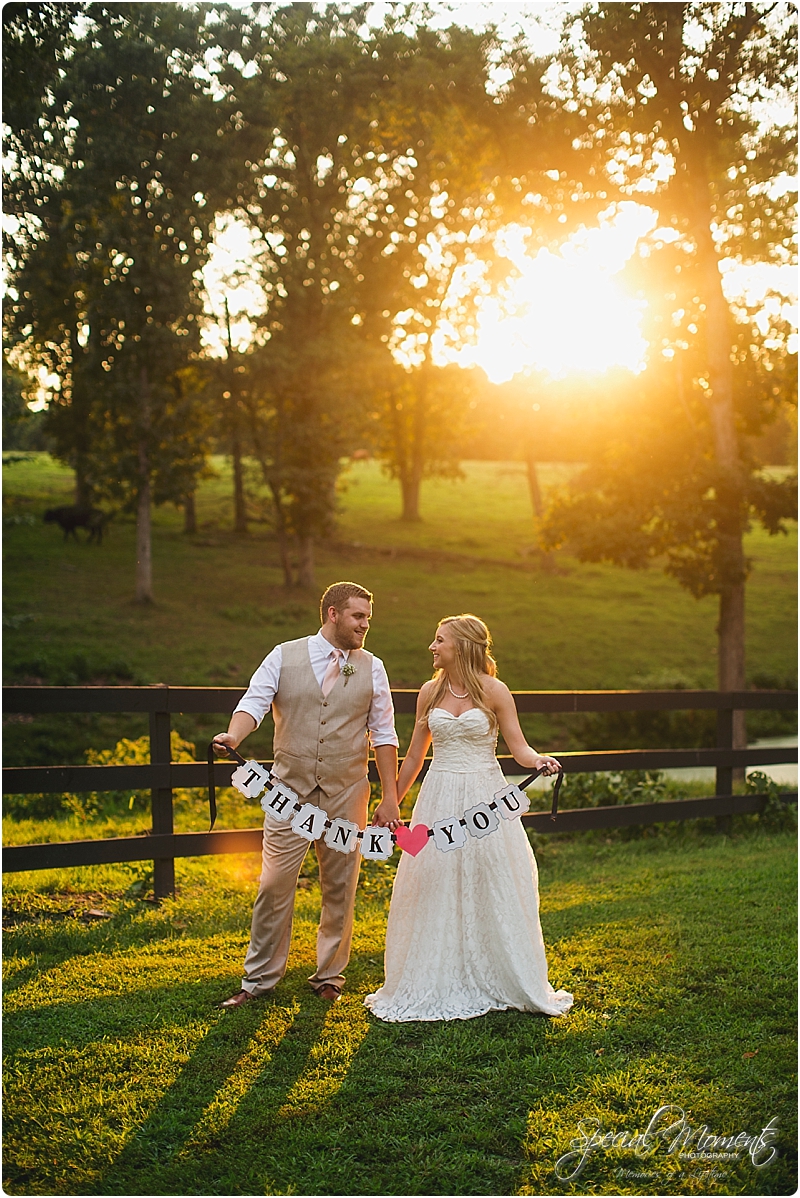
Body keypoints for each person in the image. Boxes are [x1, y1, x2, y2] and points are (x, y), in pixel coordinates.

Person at [364, 614, 573, 1022]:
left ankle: (501, 973)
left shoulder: (495, 691)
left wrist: (539, 761)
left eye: (439, 640)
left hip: (484, 798)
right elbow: (414, 756)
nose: (432, 647)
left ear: (460, 646)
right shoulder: (428, 692)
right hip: (439, 794)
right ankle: (436, 976)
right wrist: (392, 801)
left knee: (491, 876)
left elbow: (519, 748)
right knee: (435, 880)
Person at [214, 581, 400, 1007]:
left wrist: (389, 798)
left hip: (347, 793)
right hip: (288, 793)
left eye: (368, 618)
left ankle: (330, 975)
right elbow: (253, 703)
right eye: (358, 616)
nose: (365, 625)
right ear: (332, 614)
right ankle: (257, 980)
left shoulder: (372, 666)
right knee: (274, 884)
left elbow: (385, 734)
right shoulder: (283, 655)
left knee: (340, 886)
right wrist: (233, 736)